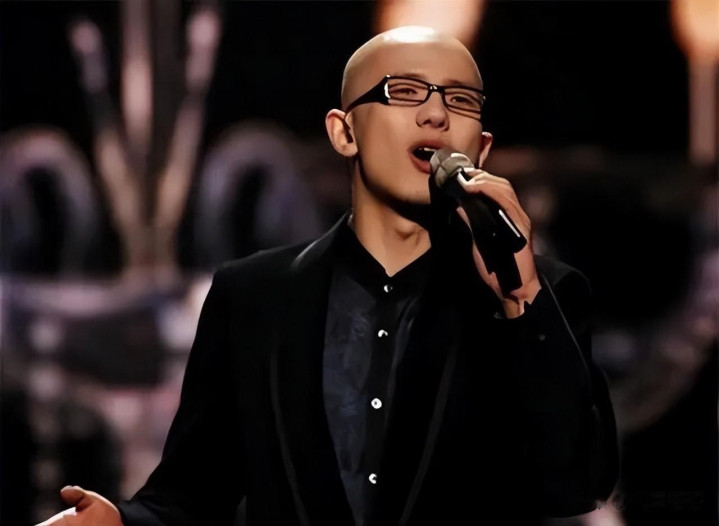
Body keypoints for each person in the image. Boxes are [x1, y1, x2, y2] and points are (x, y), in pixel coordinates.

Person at [37, 25, 618, 526]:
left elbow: (574, 484)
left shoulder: (540, 298)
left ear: (482, 148)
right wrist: (121, 521)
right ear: (345, 132)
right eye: (405, 91)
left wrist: (521, 301)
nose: (436, 114)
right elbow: (191, 493)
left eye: (461, 101)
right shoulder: (253, 297)